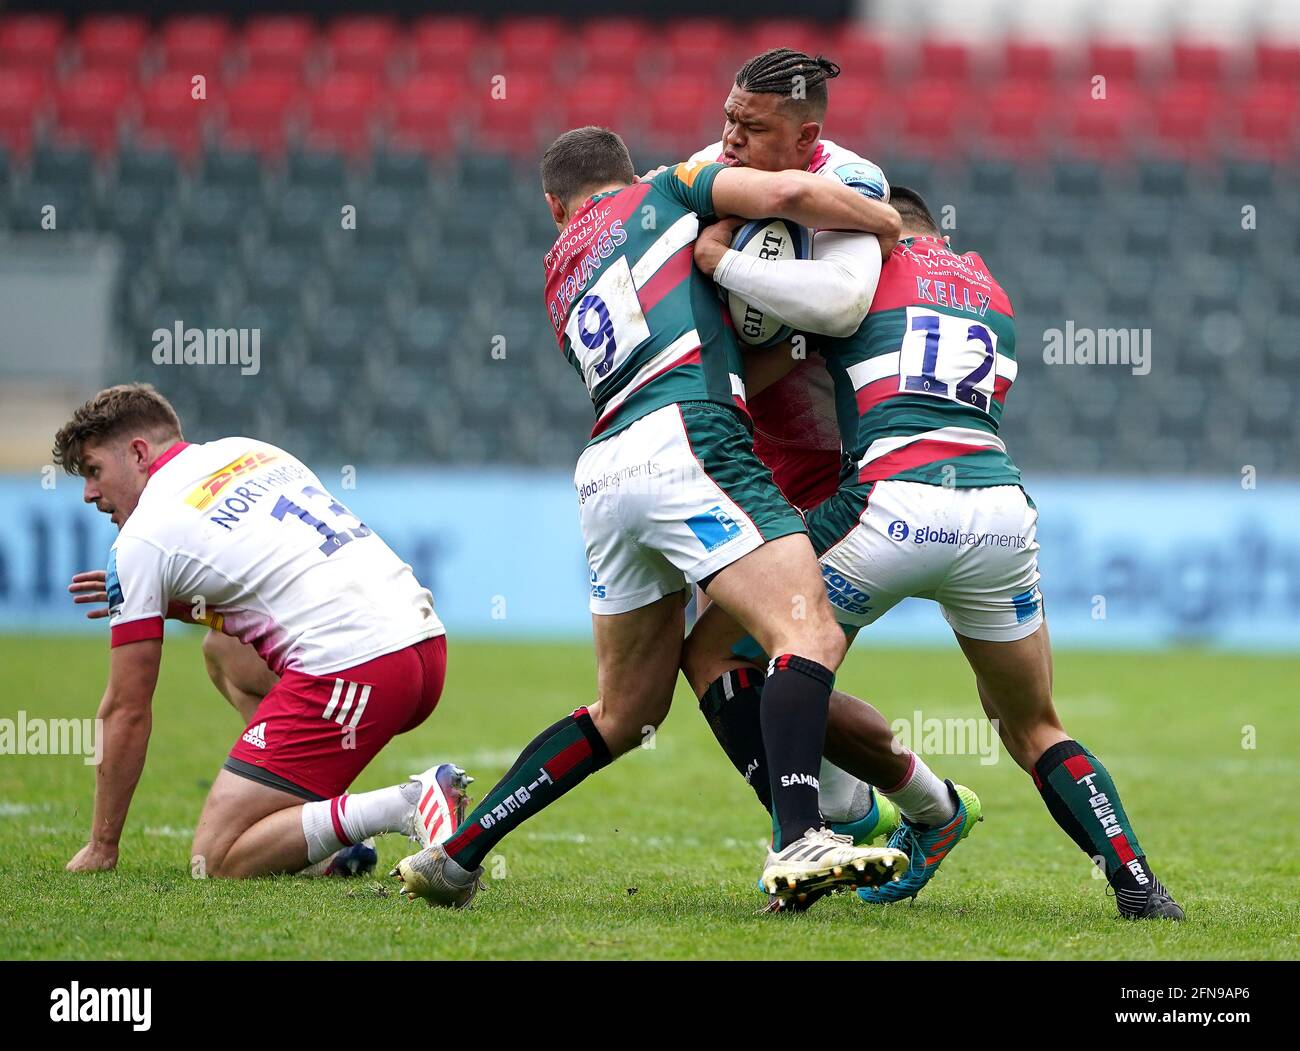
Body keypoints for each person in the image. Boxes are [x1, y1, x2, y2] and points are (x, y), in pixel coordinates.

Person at [390, 125, 906, 910]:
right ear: (625, 173)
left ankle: (459, 853)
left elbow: (708, 339)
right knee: (807, 630)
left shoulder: (560, 268)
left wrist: (791, 345)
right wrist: (883, 223)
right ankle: (802, 836)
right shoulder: (666, 189)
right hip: (689, 438)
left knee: (625, 711)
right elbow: (789, 193)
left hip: (606, 469)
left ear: (553, 206)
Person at [690, 185, 1185, 920]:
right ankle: (1139, 882)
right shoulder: (991, 290)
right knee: (1034, 724)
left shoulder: (859, 277)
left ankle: (805, 845)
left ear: (878, 232)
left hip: (891, 506)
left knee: (722, 653)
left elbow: (753, 371)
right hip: (998, 513)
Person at [54, 383, 471, 879]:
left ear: (139, 453)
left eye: (95, 470)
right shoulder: (248, 450)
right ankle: (318, 841)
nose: (88, 493)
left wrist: (103, 844)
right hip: (423, 647)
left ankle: (407, 803)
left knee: (216, 858)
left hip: (358, 668)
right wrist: (167, 604)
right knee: (221, 651)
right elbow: (265, 585)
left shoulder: (142, 537)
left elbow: (126, 708)